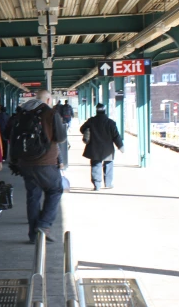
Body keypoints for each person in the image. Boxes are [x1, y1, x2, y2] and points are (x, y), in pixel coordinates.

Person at [9, 90, 67, 243]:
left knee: (33, 197)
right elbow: (61, 138)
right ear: (48, 100)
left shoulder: (22, 112)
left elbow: (9, 135)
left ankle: (33, 235)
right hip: (45, 162)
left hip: (25, 163)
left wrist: (14, 161)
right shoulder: (50, 113)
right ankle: (44, 225)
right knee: (55, 190)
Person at [80, 103, 124, 191]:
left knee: (96, 165)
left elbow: (82, 129)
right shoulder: (110, 122)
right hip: (107, 149)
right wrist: (120, 146)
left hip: (94, 147)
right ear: (105, 110)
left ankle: (97, 185)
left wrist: (88, 131)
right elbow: (116, 136)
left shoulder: (91, 121)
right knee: (108, 165)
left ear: (96, 110)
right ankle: (108, 183)